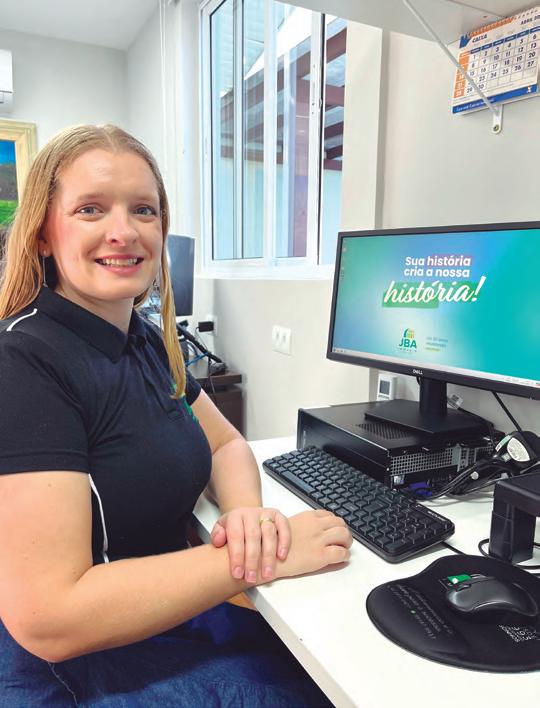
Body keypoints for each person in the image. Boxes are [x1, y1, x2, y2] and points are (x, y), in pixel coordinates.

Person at [0, 124, 352, 707]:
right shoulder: (25, 361)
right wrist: (260, 557)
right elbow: (49, 618)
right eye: (90, 209)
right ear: (42, 234)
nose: (124, 231)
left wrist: (248, 518)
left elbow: (226, 445)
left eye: (144, 209)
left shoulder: (144, 338)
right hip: (74, 665)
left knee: (333, 646)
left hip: (158, 615)